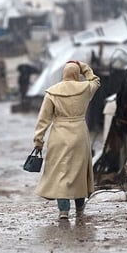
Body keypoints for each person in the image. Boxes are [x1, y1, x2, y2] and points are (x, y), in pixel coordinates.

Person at [32, 61, 100, 220]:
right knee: (79, 173)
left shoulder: (52, 92)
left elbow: (44, 119)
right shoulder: (85, 89)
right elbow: (95, 80)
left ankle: (63, 211)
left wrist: (38, 140)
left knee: (61, 173)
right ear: (77, 74)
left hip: (59, 136)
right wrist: (82, 66)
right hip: (79, 135)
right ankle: (80, 209)